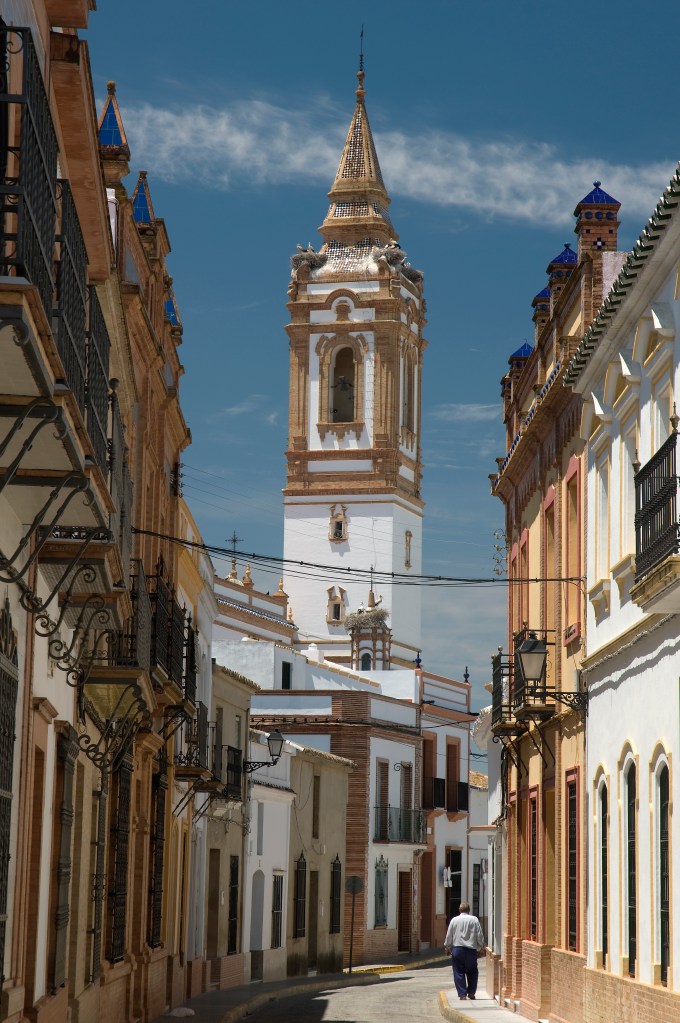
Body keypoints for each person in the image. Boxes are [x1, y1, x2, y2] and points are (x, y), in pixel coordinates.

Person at [444, 901, 486, 1001]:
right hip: (471, 950)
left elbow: (449, 935)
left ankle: (462, 994)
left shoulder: (454, 920)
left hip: (457, 950)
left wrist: (447, 946)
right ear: (469, 910)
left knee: (458, 972)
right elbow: (479, 935)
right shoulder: (474, 920)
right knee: (472, 971)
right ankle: (471, 992)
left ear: (459, 910)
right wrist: (481, 946)